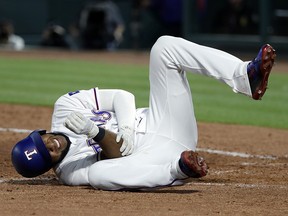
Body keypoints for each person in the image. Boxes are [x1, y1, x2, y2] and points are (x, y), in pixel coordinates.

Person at [11, 36, 276, 190]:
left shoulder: (64, 107)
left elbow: (121, 96)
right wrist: (96, 132)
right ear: (51, 166)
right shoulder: (69, 171)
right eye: (49, 155)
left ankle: (244, 77)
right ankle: (179, 169)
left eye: (44, 142)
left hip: (165, 120)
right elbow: (118, 156)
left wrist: (125, 127)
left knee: (163, 48)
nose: (52, 146)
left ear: (41, 133)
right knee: (97, 177)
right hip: (156, 155)